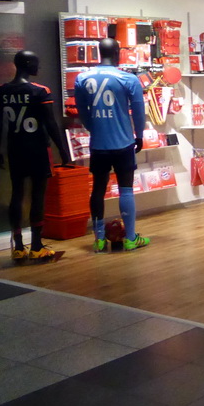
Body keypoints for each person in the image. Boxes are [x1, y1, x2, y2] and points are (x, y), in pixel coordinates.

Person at [74, 38, 149, 252]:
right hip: (123, 143)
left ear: (99, 52)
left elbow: (82, 112)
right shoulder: (128, 78)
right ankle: (130, 238)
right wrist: (140, 135)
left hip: (99, 144)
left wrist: (93, 129)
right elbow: (139, 111)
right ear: (117, 52)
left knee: (98, 189)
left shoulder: (82, 78)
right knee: (126, 189)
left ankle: (98, 239)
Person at [0, 50, 71, 260]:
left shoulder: (2, 91)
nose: (38, 68)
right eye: (37, 63)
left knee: (17, 193)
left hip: (15, 148)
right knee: (38, 195)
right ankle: (37, 246)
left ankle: (18, 246)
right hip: (38, 149)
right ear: (28, 64)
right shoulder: (39, 91)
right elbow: (50, 124)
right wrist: (63, 150)